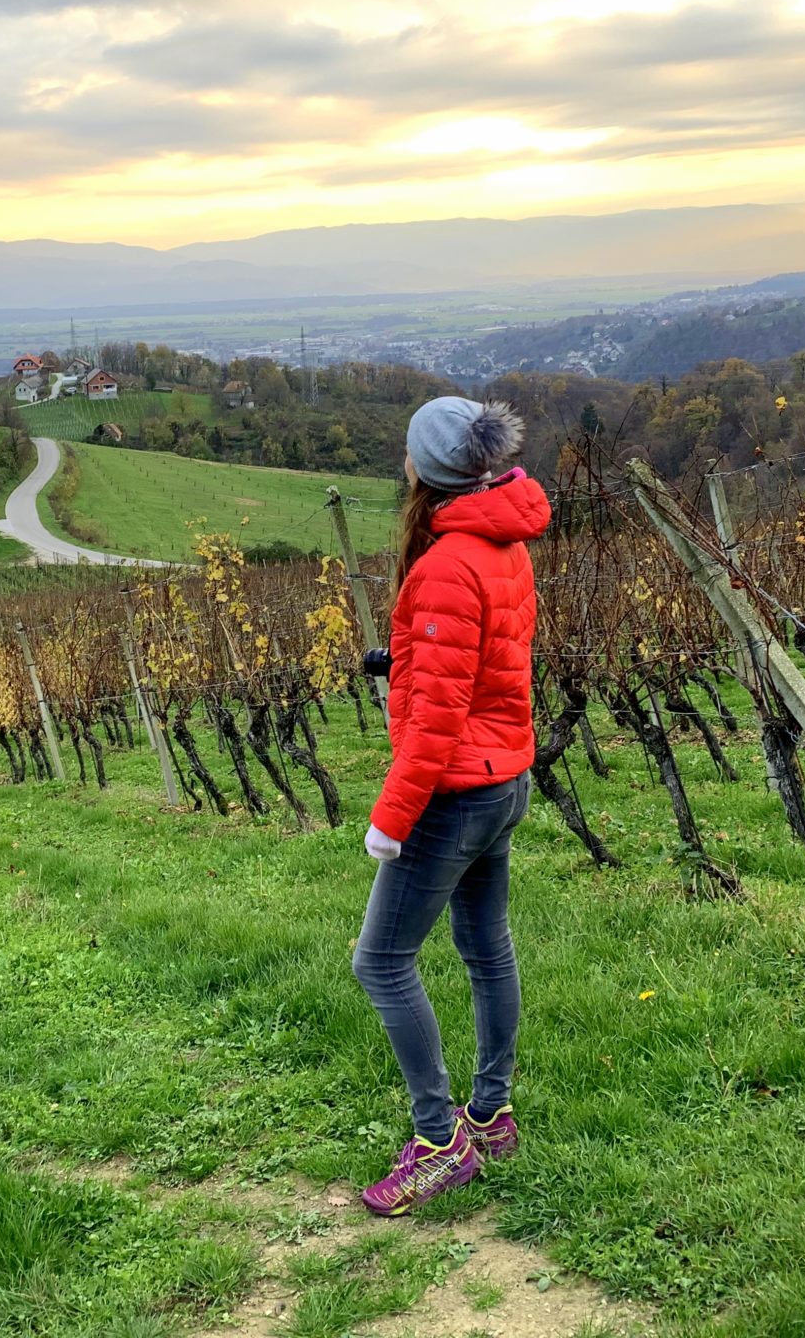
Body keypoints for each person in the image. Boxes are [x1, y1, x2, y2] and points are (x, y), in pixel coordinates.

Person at [354, 394, 550, 1217]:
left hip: (455, 794)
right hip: (506, 776)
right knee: (485, 945)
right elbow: (481, 667)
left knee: (382, 962)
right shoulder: (502, 542)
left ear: (426, 468)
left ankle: (440, 1143)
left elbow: (435, 725)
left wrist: (390, 821)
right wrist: (398, 660)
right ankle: (492, 1114)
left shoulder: (443, 565)